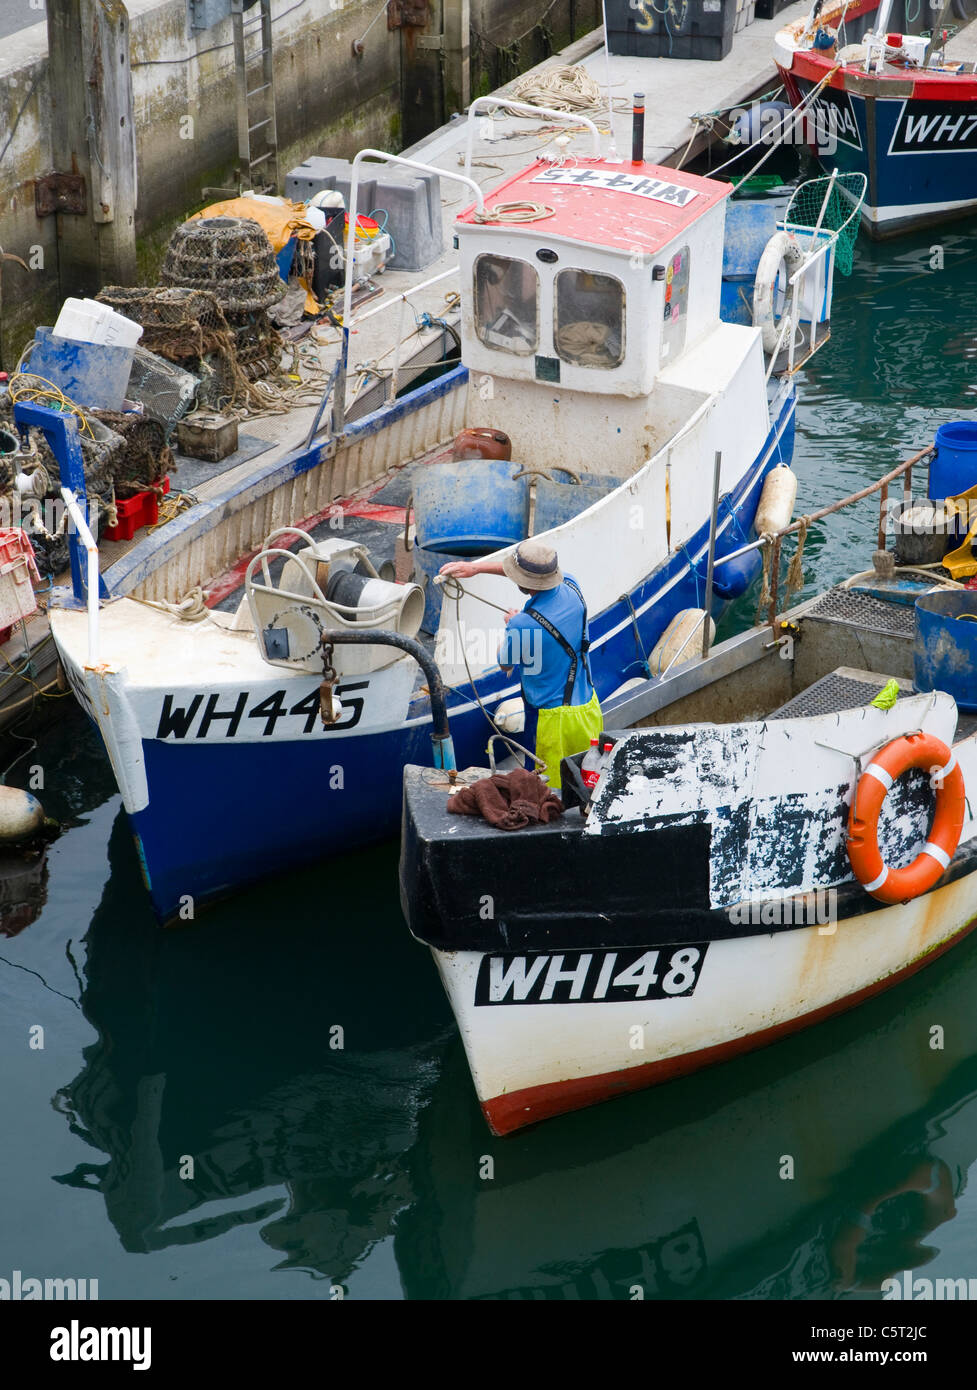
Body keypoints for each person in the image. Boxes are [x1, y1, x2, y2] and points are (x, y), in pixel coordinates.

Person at [439, 541, 602, 789]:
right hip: (588, 708)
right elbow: (532, 577)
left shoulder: (522, 625)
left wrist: (511, 625)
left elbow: (506, 665)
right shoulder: (571, 584)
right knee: (586, 784)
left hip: (551, 721)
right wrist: (477, 568)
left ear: (525, 582)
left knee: (545, 792)